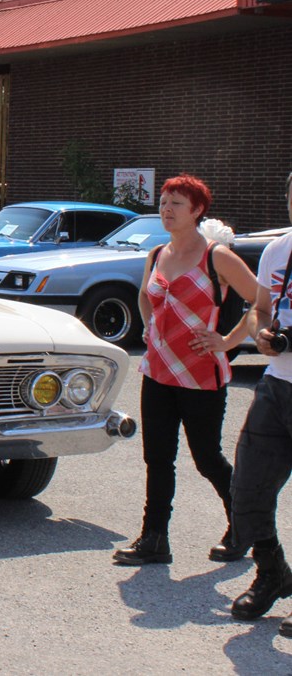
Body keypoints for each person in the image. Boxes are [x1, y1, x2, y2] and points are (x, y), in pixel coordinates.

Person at [112, 174, 258, 567]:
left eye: (176, 203)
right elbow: (146, 295)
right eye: (163, 201)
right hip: (157, 370)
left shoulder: (217, 257)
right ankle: (154, 539)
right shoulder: (157, 253)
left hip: (200, 375)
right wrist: (149, 327)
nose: (166, 209)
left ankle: (244, 527)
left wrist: (226, 343)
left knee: (207, 458)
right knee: (157, 457)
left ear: (197, 211)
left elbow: (262, 300)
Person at [228, 171, 292, 629]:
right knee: (247, 489)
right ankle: (272, 573)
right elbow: (261, 310)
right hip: (277, 384)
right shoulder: (278, 249)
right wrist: (261, 335)